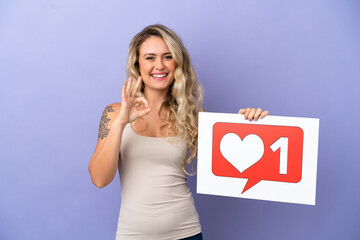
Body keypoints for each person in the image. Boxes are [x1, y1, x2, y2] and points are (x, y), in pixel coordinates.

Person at [88, 24, 268, 240]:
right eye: (150, 58)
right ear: (137, 65)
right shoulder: (114, 112)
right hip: (133, 234)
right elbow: (99, 178)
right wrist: (120, 123)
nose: (159, 66)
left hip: (187, 232)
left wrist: (251, 122)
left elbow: (237, 163)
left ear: (177, 63)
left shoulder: (191, 115)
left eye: (167, 56)